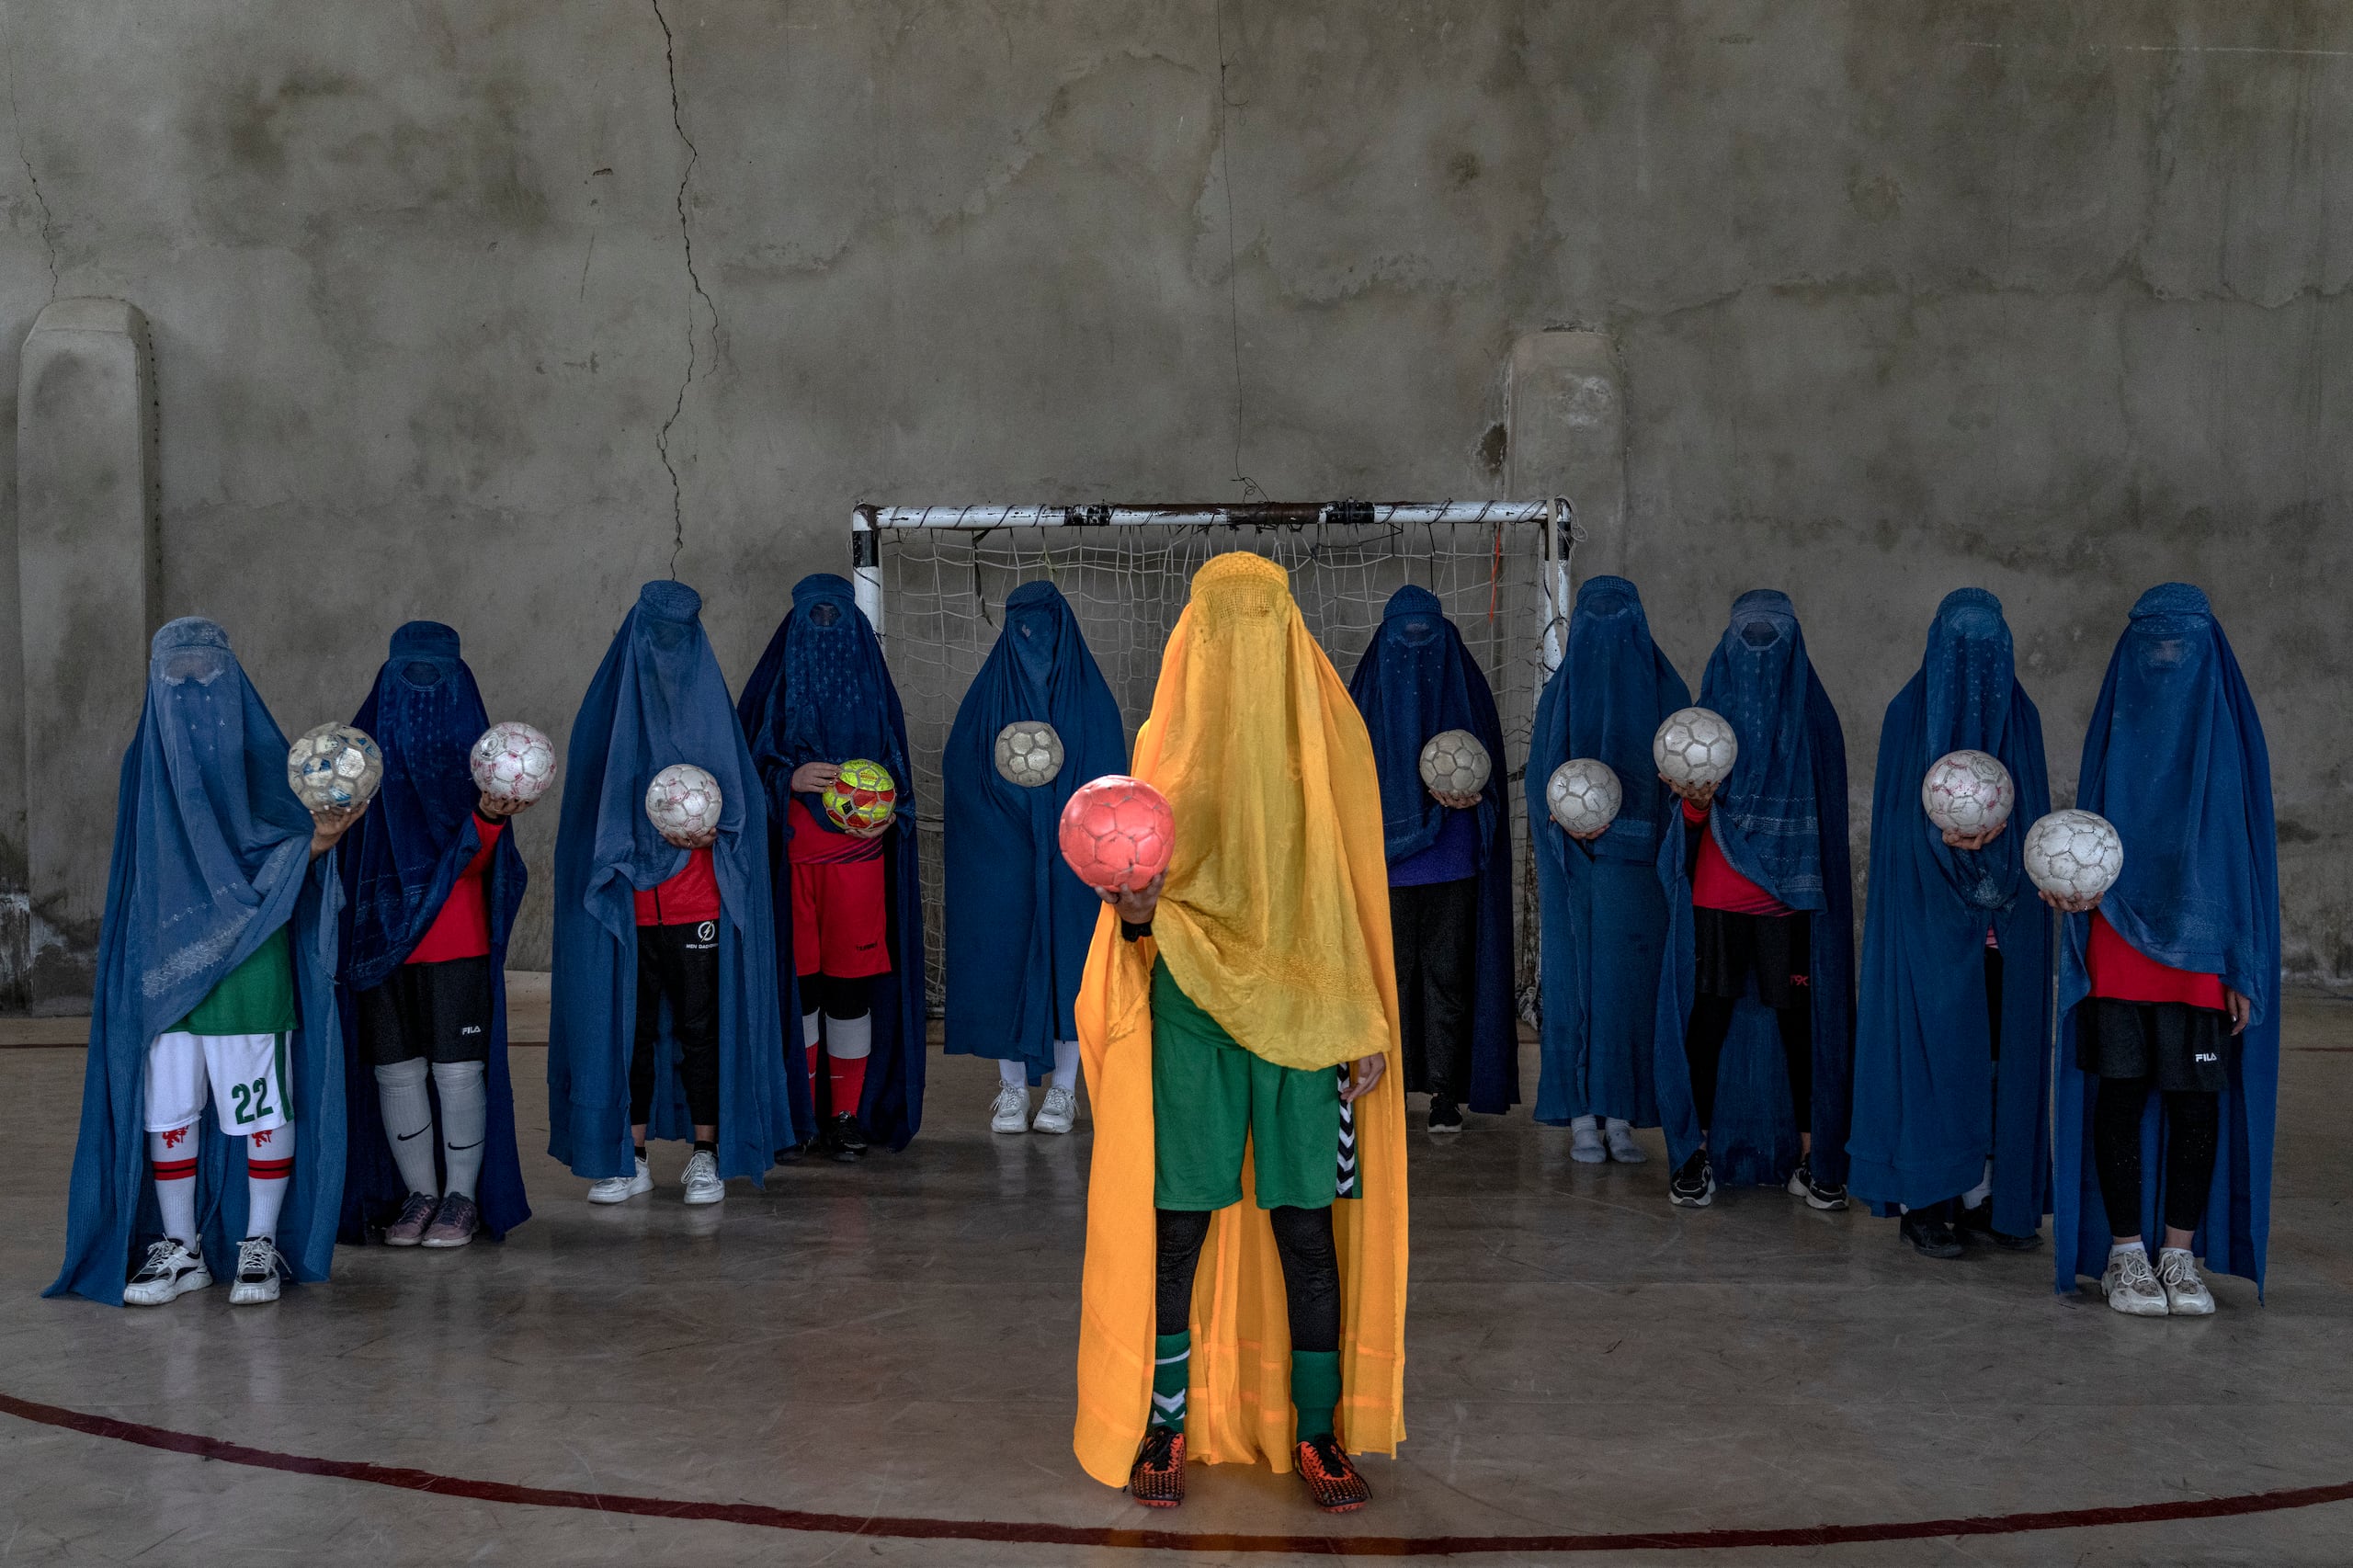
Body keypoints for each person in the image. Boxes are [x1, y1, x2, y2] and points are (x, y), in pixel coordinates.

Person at [1072, 552, 1406, 1515]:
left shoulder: (1326, 738)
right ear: (1194, 636)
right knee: (1180, 1224)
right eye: (1224, 622)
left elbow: (1346, 895)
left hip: (1305, 1021)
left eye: (1260, 619)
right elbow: (1144, 910)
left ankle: (1316, 1428)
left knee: (1305, 1226)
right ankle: (1165, 1420)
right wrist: (1134, 911)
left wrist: (1361, 1016)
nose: (1240, 641)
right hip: (1191, 1013)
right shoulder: (1162, 747)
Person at [50, 618, 358, 1308]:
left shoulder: (264, 757)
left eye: (207, 675)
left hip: (249, 962)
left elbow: (289, 846)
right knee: (168, 1111)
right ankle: (182, 1248)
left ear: (234, 682)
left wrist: (321, 841)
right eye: (174, 674)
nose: (190, 689)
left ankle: (260, 1241)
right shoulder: (144, 762)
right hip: (165, 967)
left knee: (259, 1105)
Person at [2052, 584, 2277, 1317]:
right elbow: (2079, 845)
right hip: (2118, 939)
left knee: (2195, 1105)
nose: (2167, 658)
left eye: (2182, 644)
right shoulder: (2115, 730)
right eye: (2152, 644)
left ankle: (2178, 1256)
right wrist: (2065, 891)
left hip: (2202, 952)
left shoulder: (2231, 741)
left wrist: (2243, 963)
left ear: (2210, 651)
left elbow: (2246, 860)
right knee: (2118, 1097)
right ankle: (2125, 1255)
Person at [548, 580, 792, 1204]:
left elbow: (746, 810)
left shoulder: (712, 712)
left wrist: (720, 832)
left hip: (698, 905)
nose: (667, 650)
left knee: (700, 1030)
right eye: (656, 634)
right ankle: (627, 1158)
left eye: (679, 636)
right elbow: (587, 815)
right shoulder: (606, 715)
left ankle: (706, 1154)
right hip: (626, 911)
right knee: (628, 1030)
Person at [1849, 590, 2051, 1258]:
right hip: (1928, 929)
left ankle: (1988, 1192)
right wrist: (1947, 846)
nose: (1975, 667)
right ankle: (1926, 1196)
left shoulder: (2021, 718)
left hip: (2008, 929)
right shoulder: (1908, 715)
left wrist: (1998, 849)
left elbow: (2038, 830)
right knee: (1932, 1057)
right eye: (1962, 648)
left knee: (1997, 1059)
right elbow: (1898, 837)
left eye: (1989, 650)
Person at [1654, 590, 1855, 1211]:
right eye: (1749, 637)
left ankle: (1814, 1160)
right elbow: (1684, 826)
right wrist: (1693, 803)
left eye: (1775, 636)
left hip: (1788, 903)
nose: (1761, 650)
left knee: (1801, 1026)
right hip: (1717, 900)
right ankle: (1695, 1155)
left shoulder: (1816, 721)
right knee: (1707, 1022)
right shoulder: (1703, 719)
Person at [336, 622, 535, 1250]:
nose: (421, 690)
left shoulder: (482, 763)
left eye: (437, 676)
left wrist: (488, 820)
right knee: (394, 1070)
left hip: (457, 938)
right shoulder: (356, 764)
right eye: (407, 675)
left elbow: (479, 865)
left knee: (457, 1071)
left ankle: (463, 1199)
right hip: (378, 943)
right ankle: (419, 1194)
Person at [738, 573, 926, 1161]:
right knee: (800, 993)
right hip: (791, 871)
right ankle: (801, 1114)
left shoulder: (873, 686)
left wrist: (890, 809)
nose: (826, 631)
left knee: (850, 992)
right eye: (813, 619)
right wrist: (785, 778)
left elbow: (904, 784)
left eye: (837, 619)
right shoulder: (773, 687)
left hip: (859, 870)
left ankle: (846, 1116)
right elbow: (743, 773)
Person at [941, 580, 1125, 1135]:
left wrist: (1066, 825)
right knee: (1004, 960)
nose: (1032, 638)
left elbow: (1109, 776)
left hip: (1073, 862)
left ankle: (1065, 1092)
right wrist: (1011, 816)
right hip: (1004, 858)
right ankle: (1011, 1090)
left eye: (1042, 626)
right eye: (1020, 627)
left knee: (1068, 962)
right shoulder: (988, 696)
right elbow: (962, 771)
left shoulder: (1091, 700)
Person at [1529, 576, 1690, 1163]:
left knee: (1627, 991)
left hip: (1640, 873)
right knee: (1574, 987)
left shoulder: (1667, 690)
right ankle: (1579, 1117)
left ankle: (1620, 1116)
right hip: (1573, 870)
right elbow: (1537, 781)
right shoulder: (1562, 694)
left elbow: (1687, 780)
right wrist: (1562, 822)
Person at [1346, 585, 1517, 1133]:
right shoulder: (1363, 697)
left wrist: (1476, 798)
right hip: (1384, 868)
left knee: (1448, 979)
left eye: (1428, 635)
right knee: (1386, 981)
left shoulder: (1468, 690)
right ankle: (1385, 1093)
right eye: (1404, 637)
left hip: (1453, 863)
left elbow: (1493, 777)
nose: (1416, 648)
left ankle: (1445, 1094)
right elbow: (1344, 781)